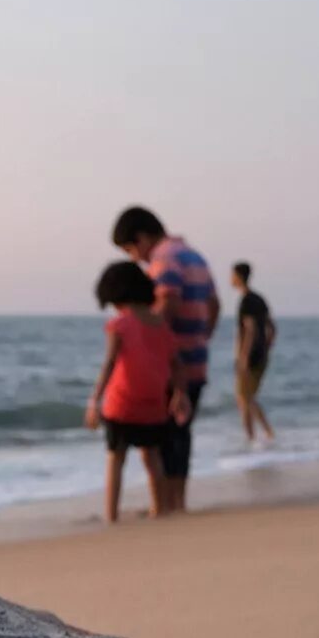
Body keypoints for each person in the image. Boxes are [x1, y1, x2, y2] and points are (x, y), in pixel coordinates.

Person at [111, 206, 218, 514]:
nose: (135, 258)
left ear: (143, 237)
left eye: (132, 249)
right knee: (181, 434)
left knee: (164, 436)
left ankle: (167, 505)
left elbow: (168, 301)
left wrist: (146, 339)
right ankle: (177, 502)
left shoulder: (164, 258)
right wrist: (201, 338)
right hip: (197, 359)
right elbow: (214, 303)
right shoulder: (194, 256)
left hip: (172, 366)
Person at [84, 262, 184, 523]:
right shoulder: (161, 326)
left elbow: (109, 363)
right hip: (153, 406)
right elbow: (176, 365)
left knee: (116, 460)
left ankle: (111, 515)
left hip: (121, 404)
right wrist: (180, 394)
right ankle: (160, 509)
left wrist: (94, 400)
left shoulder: (120, 325)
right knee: (153, 459)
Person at [229, 261, 277, 443]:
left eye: (232, 275)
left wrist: (243, 357)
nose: (230, 279)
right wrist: (267, 346)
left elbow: (250, 329)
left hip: (250, 356)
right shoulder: (259, 299)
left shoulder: (247, 301)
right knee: (249, 397)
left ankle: (251, 437)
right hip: (261, 355)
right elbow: (272, 328)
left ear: (239, 276)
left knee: (243, 398)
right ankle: (266, 433)